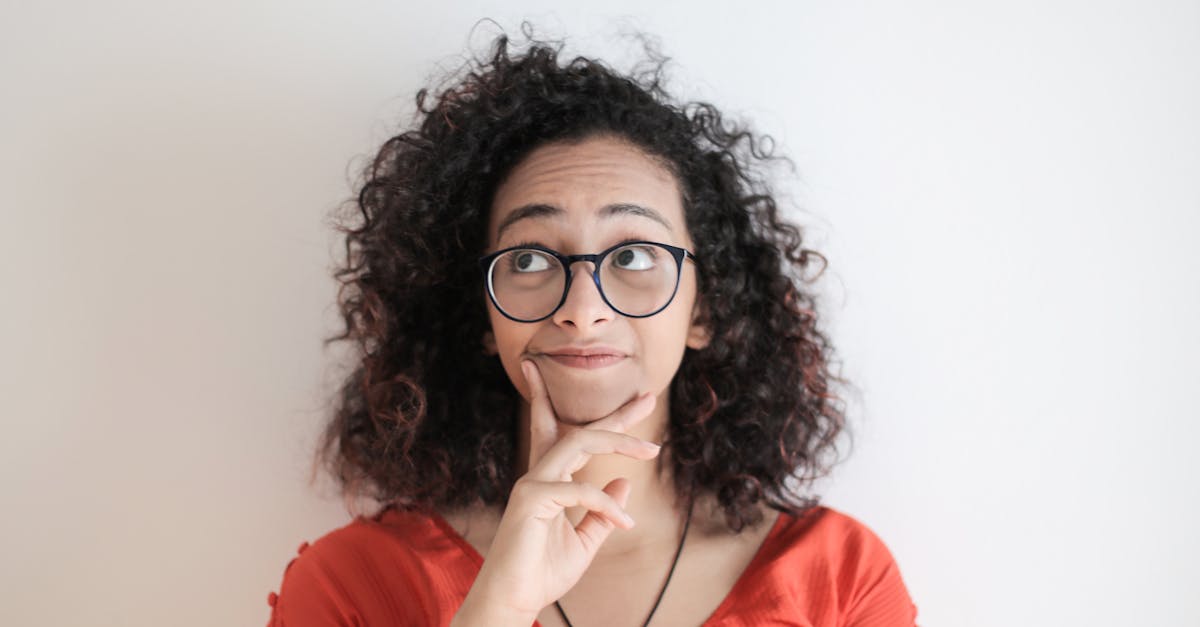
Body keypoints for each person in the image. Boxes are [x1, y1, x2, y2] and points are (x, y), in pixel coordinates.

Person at [265, 27, 919, 627]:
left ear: (704, 308)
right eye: (529, 259)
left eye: (633, 255)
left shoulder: (840, 580)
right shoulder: (352, 586)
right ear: (484, 316)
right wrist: (493, 608)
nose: (582, 307)